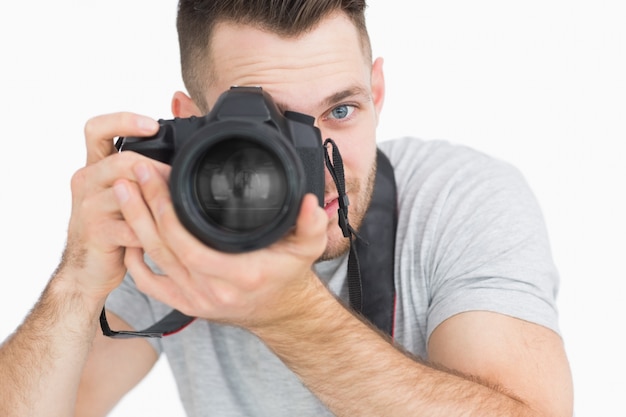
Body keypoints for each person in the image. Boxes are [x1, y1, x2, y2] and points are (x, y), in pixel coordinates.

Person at [0, 1, 573, 416]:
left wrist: (288, 313)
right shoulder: (174, 227)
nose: (311, 167)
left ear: (376, 92)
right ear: (193, 122)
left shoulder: (460, 199)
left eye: (340, 111)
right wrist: (76, 284)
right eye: (269, 127)